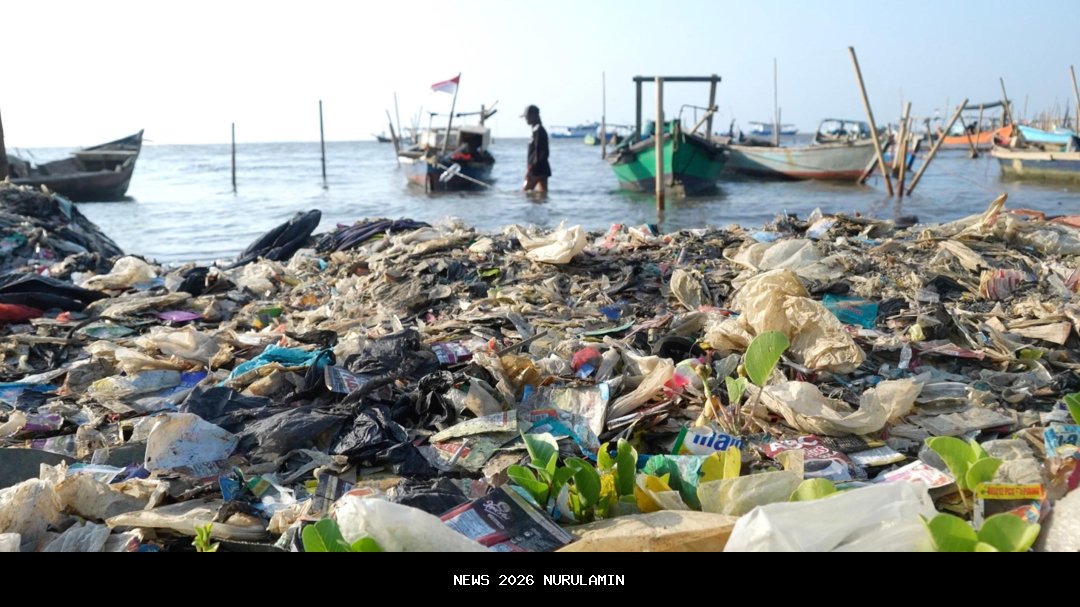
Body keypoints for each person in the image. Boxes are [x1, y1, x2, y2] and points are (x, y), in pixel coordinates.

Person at [522, 105, 550, 192]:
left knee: (525, 192)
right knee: (541, 194)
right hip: (540, 169)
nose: (526, 119)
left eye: (527, 116)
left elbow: (540, 152)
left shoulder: (539, 130)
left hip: (537, 170)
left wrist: (530, 170)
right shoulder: (535, 130)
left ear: (534, 115)